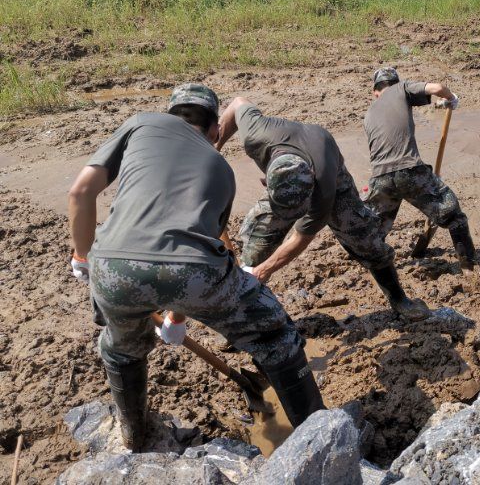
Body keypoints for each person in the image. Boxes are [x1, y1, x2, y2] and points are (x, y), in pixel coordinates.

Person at [68, 84, 324, 452]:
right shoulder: (220, 166)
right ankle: (318, 439)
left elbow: (80, 192)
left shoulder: (141, 124)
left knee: (122, 350)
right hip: (197, 275)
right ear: (216, 130)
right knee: (276, 337)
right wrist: (178, 317)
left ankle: (134, 438)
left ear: (170, 113)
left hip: (112, 267)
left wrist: (82, 256)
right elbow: (196, 250)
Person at [215, 96, 430, 321]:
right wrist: (215, 146)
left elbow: (301, 238)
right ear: (267, 181)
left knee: (365, 239)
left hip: (332, 177)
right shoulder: (256, 134)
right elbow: (238, 103)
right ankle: (243, 316)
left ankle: (399, 299)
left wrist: (264, 271)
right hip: (288, 178)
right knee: (258, 240)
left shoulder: (323, 190)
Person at [363, 67, 480, 285]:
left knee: (374, 230)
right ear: (394, 83)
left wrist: (440, 105)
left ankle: (372, 271)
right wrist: (450, 98)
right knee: (454, 216)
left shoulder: (370, 113)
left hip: (380, 177)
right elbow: (437, 88)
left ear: (375, 92)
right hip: (409, 171)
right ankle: (469, 269)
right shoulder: (400, 88)